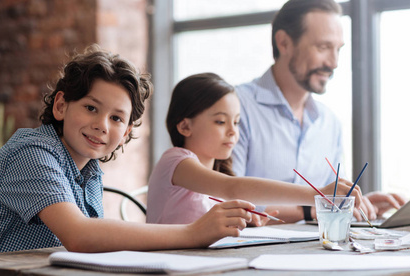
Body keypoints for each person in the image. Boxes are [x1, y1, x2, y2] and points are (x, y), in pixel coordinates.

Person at [0, 45, 260, 256]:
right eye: (91, 108)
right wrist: (193, 233)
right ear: (62, 105)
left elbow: (92, 241)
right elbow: (80, 235)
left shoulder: (89, 172)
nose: (102, 125)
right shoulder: (32, 152)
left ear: (127, 131)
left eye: (116, 118)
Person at [231, 0, 407, 224]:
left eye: (338, 49)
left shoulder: (329, 122)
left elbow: (331, 197)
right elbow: (224, 201)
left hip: (312, 254)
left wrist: (355, 204)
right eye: (323, 47)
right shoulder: (235, 108)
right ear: (284, 43)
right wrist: (311, 210)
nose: (333, 63)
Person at [146, 72, 363, 225]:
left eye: (237, 122)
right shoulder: (175, 161)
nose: (233, 132)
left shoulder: (218, 179)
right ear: (185, 126)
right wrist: (319, 194)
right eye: (221, 122)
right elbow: (232, 187)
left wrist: (248, 221)